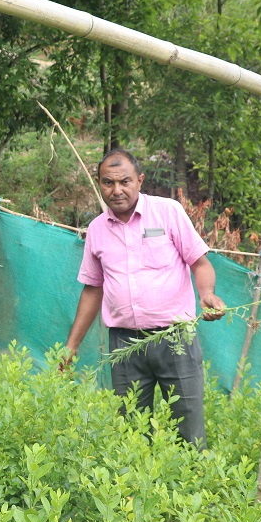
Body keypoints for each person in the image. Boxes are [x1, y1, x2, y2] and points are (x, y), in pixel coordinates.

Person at [64, 149, 225, 449]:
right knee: (132, 436)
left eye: (125, 181)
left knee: (189, 432)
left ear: (140, 180)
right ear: (100, 184)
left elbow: (200, 263)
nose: (117, 190)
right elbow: (92, 289)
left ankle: (195, 490)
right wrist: (71, 347)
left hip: (175, 338)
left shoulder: (168, 212)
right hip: (125, 346)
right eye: (108, 183)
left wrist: (206, 294)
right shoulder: (97, 230)